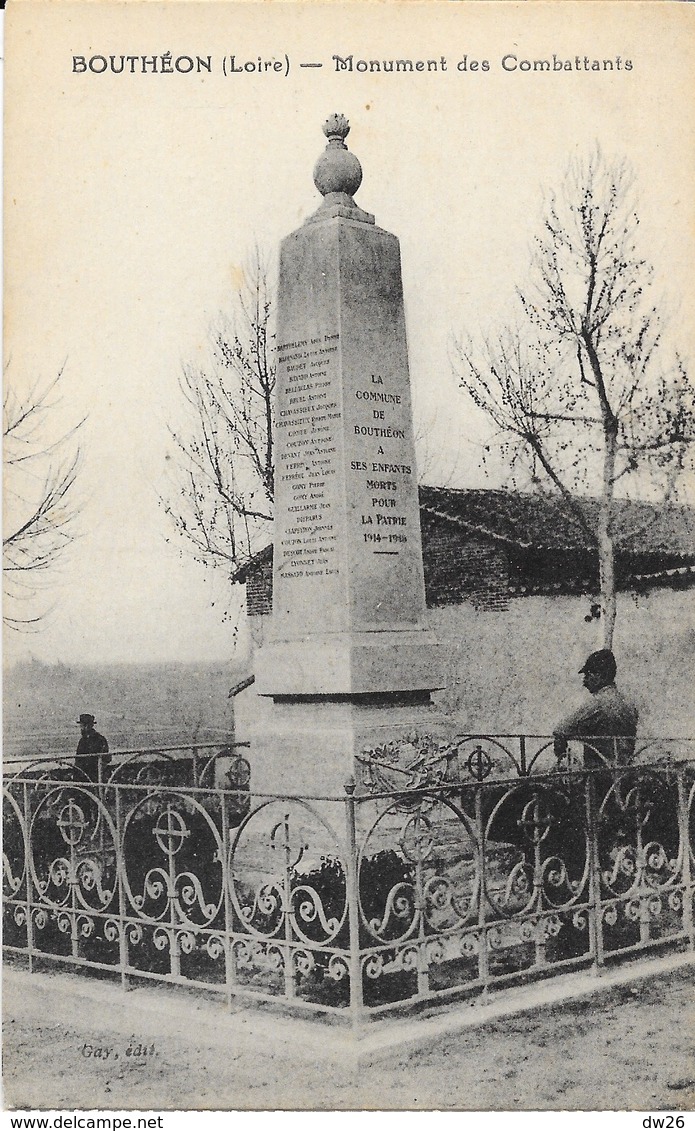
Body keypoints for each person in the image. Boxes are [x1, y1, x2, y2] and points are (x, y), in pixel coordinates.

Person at [553, 649, 638, 768]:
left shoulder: (596, 704)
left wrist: (561, 754)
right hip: (625, 773)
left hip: (599, 776)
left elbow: (561, 730)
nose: (584, 682)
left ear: (599, 675)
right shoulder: (629, 704)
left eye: (587, 675)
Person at [75, 713, 111, 782]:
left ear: (88, 726)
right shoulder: (83, 740)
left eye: (82, 726)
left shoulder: (99, 739)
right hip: (84, 774)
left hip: (94, 774)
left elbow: (106, 758)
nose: (81, 728)